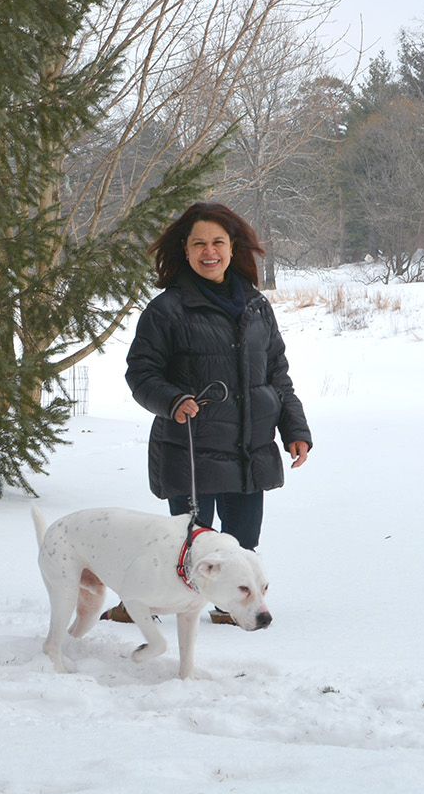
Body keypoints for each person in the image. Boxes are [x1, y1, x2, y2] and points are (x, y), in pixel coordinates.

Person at [123, 202, 312, 624]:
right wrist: (171, 400)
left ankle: (233, 609)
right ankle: (145, 602)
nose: (210, 252)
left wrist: (294, 428)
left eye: (218, 242)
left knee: (243, 543)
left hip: (250, 448)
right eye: (199, 244)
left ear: (233, 247)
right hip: (191, 446)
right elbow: (141, 372)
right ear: (185, 251)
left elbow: (276, 373)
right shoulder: (168, 309)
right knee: (187, 544)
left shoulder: (256, 305)